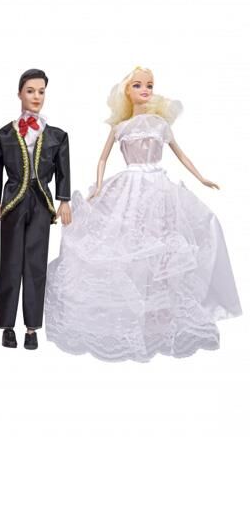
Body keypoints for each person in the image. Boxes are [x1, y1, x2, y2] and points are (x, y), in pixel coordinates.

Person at [44, 67, 242, 361]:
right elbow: (102, 158)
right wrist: (98, 186)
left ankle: (159, 316)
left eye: (149, 85)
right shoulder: (120, 127)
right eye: (138, 85)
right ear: (126, 91)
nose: (145, 89)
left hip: (159, 189)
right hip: (130, 187)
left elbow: (181, 154)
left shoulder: (161, 125)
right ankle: (135, 314)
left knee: (164, 243)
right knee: (128, 244)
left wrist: (201, 178)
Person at [0, 69, 71, 350]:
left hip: (41, 202)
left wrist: (64, 200)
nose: (36, 96)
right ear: (19, 93)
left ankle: (32, 328)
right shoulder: (3, 135)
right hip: (12, 202)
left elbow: (63, 171)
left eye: (41, 91)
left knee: (35, 264)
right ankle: (7, 326)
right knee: (10, 262)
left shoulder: (58, 136)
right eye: (30, 91)